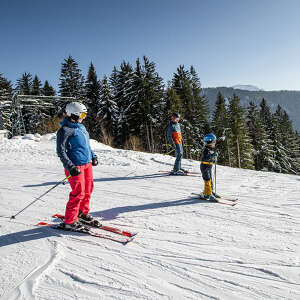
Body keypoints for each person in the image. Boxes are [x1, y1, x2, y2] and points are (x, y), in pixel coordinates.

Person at [56, 102, 99, 231]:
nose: (84, 117)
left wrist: (93, 155)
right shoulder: (64, 131)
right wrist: (70, 166)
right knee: (78, 193)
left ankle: (82, 213)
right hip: (75, 167)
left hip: (87, 164)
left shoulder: (81, 128)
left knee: (88, 190)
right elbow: (61, 151)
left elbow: (86, 145)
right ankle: (70, 221)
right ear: (73, 115)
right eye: (82, 114)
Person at [200, 133, 218, 201]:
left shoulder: (212, 148)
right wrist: (212, 155)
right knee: (207, 180)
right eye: (214, 141)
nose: (215, 143)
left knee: (210, 179)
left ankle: (211, 191)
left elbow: (213, 156)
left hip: (209, 166)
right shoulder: (206, 149)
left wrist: (215, 157)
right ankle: (207, 194)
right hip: (204, 166)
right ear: (209, 141)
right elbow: (206, 157)